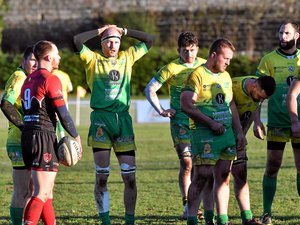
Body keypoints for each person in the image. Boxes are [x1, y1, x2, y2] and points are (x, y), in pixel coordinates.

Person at [73, 24, 154, 225]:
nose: (112, 45)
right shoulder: (93, 60)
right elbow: (76, 41)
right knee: (102, 176)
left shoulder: (128, 57)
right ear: (101, 44)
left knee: (130, 178)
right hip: (101, 120)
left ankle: (129, 221)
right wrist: (101, 30)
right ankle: (105, 221)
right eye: (108, 41)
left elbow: (149, 40)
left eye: (116, 42)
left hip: (123, 122)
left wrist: (125, 31)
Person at [144, 31, 211, 221]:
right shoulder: (171, 67)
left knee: (202, 165)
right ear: (178, 50)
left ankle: (200, 206)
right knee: (187, 163)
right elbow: (150, 89)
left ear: (197, 49)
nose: (189, 55)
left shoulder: (205, 64)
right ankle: (187, 205)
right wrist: (161, 110)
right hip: (180, 122)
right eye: (185, 51)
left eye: (192, 50)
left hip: (201, 122)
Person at [181, 38, 246, 225]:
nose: (228, 62)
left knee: (224, 176)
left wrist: (239, 132)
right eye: (226, 58)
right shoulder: (197, 75)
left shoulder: (225, 77)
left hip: (225, 135)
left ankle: (221, 220)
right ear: (213, 55)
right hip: (204, 133)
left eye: (230, 59)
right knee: (202, 176)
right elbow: (186, 105)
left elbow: (231, 105)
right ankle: (192, 219)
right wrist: (210, 123)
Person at [20, 40, 82, 225]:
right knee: (42, 193)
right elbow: (63, 113)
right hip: (43, 137)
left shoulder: (28, 80)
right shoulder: (51, 78)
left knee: (47, 191)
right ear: (48, 57)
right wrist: (76, 137)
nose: (60, 57)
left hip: (28, 136)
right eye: (57, 54)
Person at [254, 21, 300, 225]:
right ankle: (267, 213)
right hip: (276, 122)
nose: (283, 36)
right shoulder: (268, 60)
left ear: (296, 35)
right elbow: (257, 93)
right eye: (281, 32)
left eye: (287, 33)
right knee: (273, 165)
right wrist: (257, 120)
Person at [231, 75, 276, 225]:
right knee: (218, 178)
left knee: (241, 176)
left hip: (239, 140)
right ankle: (217, 218)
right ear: (253, 87)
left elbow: (255, 105)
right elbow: (231, 113)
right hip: (220, 139)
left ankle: (247, 218)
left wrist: (256, 122)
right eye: (260, 96)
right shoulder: (232, 86)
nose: (260, 100)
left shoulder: (257, 92)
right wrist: (239, 133)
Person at [0, 46, 37, 225]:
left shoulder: (30, 79)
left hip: (28, 141)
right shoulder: (19, 77)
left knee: (31, 190)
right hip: (18, 141)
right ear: (23, 61)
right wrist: (24, 128)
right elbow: (6, 103)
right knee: (22, 190)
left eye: (38, 60)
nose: (35, 64)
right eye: (32, 60)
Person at [52, 69, 73, 139]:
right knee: (62, 118)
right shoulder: (65, 75)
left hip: (53, 101)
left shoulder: (51, 74)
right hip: (64, 101)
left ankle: (55, 136)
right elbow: (70, 88)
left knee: (54, 119)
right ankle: (62, 135)